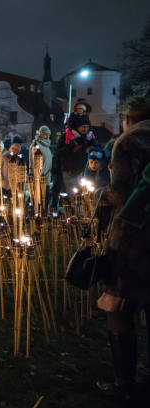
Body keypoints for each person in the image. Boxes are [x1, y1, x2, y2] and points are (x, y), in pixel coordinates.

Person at [95, 96, 150, 401]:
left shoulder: (129, 143)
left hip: (133, 239)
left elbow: (120, 192)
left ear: (128, 119)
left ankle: (124, 382)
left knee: (119, 305)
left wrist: (102, 202)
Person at [56, 114, 96, 193]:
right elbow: (58, 152)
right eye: (83, 127)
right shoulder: (66, 136)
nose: (85, 129)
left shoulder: (89, 138)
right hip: (70, 172)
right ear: (77, 127)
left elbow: (96, 149)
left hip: (85, 172)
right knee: (72, 196)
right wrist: (70, 147)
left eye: (87, 127)